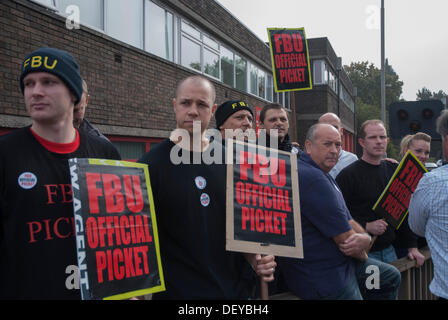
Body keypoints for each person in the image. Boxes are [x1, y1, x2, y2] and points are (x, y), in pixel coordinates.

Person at [138, 75, 275, 299]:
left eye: (201, 104)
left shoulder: (234, 161)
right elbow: (139, 241)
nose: (193, 111)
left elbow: (241, 226)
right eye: (186, 103)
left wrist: (257, 258)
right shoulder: (150, 165)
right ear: (175, 106)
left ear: (212, 110)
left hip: (236, 292)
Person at [0, 47, 121, 299]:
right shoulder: (6, 154)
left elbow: (119, 232)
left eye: (48, 82)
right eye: (28, 83)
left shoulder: (103, 151)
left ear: (74, 94)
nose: (35, 92)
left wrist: (128, 288)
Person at [278, 123, 400, 300]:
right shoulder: (312, 178)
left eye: (338, 145)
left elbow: (348, 220)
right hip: (325, 276)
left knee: (389, 276)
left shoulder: (323, 174)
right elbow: (348, 241)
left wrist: (364, 238)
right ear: (309, 146)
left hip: (342, 264)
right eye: (327, 144)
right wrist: (365, 244)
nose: (334, 150)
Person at [336, 120, 424, 266]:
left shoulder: (393, 169)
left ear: (387, 141)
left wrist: (412, 247)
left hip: (390, 250)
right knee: (373, 289)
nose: (378, 142)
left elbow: (403, 211)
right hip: (364, 253)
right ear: (362, 142)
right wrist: (366, 226)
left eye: (382, 137)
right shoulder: (347, 175)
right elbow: (336, 215)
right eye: (373, 137)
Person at [409, 110, 448, 300]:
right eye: (418, 151)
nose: (423, 156)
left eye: (426, 152)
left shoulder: (431, 182)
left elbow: (416, 226)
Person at [318, 112, 358, 179]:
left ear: (341, 131)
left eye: (334, 127)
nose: (330, 131)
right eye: (325, 127)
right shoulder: (311, 159)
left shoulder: (352, 161)